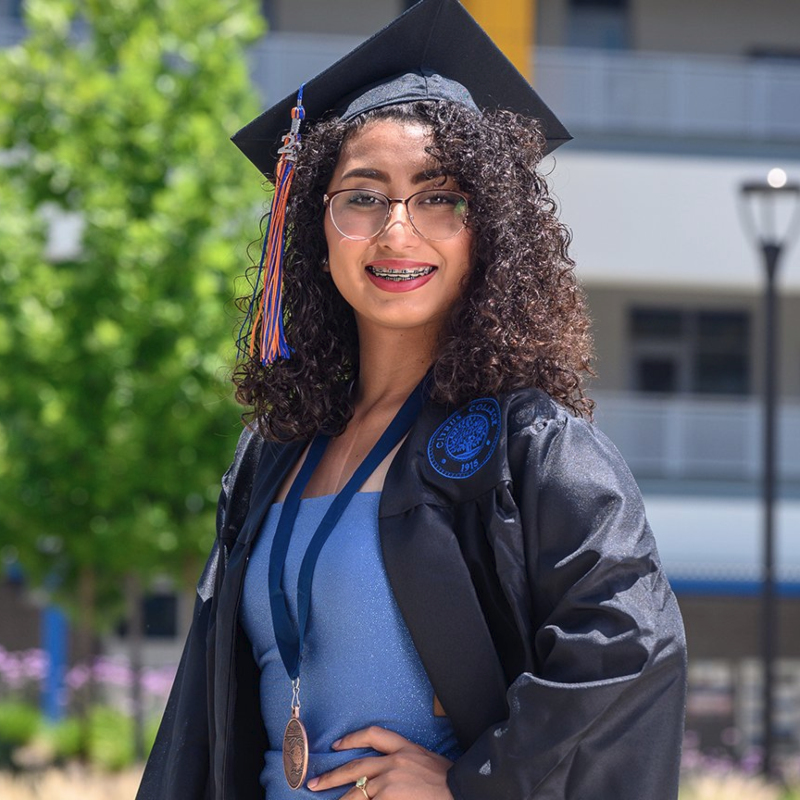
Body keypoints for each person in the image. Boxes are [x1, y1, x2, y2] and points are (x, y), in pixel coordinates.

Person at [137, 1, 687, 798]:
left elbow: (628, 641)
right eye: (362, 196)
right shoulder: (277, 450)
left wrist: (474, 783)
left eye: (440, 199)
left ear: (486, 232)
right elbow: (204, 706)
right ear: (317, 231)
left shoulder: (530, 448)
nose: (397, 231)